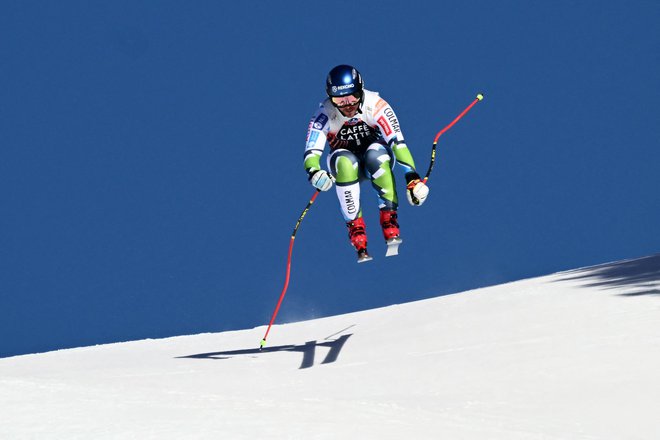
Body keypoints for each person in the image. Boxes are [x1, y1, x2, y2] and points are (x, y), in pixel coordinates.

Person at [304, 65, 429, 262]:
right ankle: (356, 228)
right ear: (330, 98)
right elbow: (312, 151)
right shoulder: (325, 113)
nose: (347, 105)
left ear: (361, 89)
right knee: (345, 162)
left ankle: (389, 219)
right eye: (339, 100)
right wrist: (314, 172)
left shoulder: (376, 105)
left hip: (375, 155)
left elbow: (397, 142)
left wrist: (412, 178)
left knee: (376, 156)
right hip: (344, 160)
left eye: (353, 96)